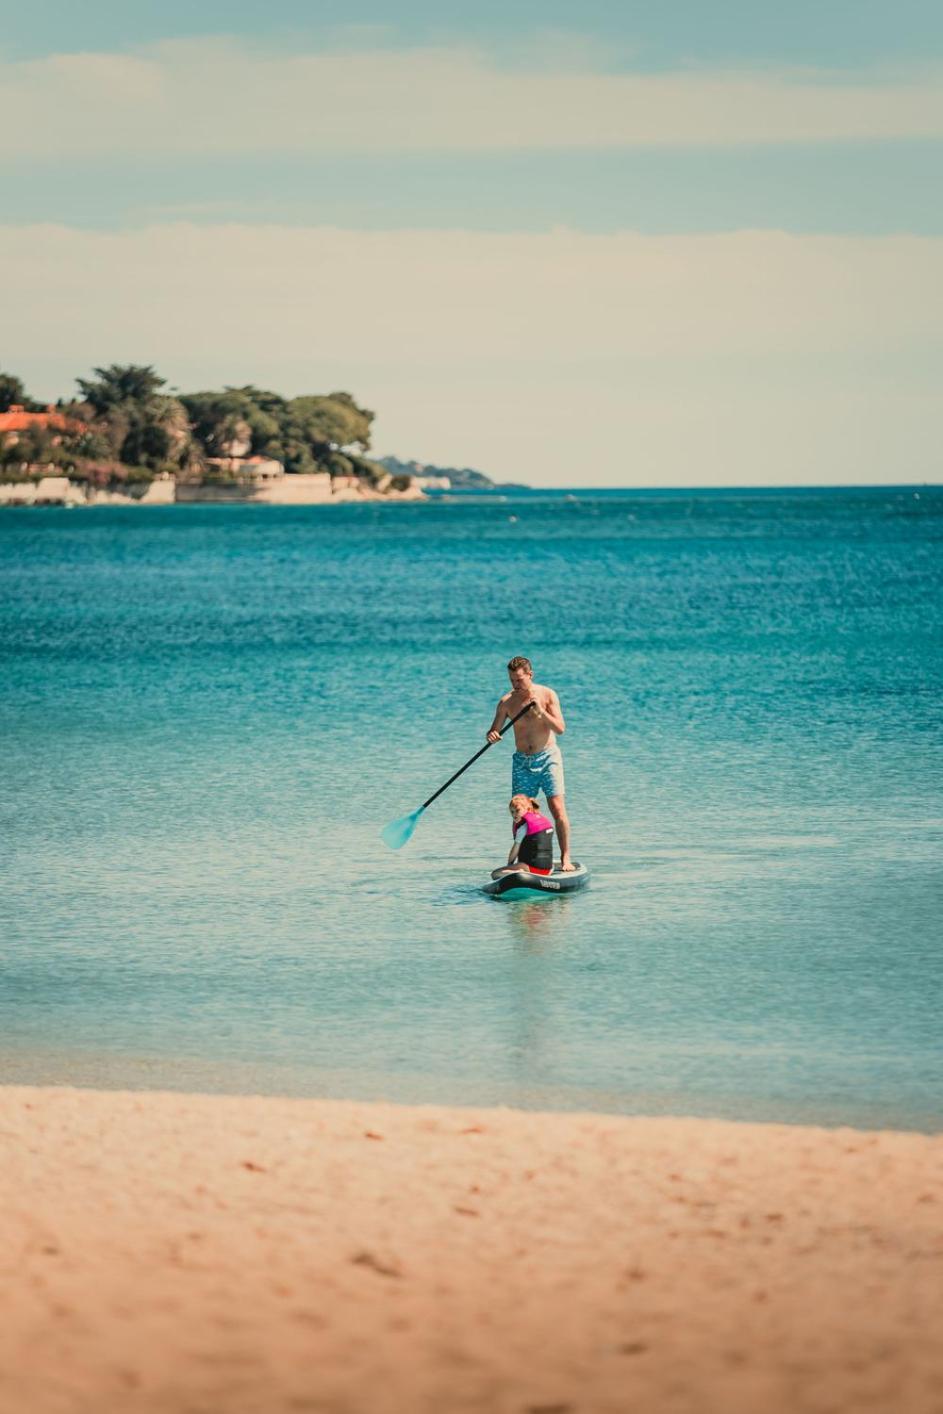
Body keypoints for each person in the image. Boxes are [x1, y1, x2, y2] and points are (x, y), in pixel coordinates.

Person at [486, 655, 574, 870]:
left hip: (548, 757)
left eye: (519, 680)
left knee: (557, 808)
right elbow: (493, 730)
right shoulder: (507, 702)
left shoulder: (547, 695)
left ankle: (565, 858)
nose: (515, 685)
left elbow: (560, 729)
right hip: (522, 762)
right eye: (512, 681)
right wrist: (492, 735)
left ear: (530, 675)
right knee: (521, 812)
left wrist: (541, 712)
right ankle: (524, 861)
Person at [491, 795, 555, 879]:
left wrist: (510, 865)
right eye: (512, 812)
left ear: (528, 809)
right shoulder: (545, 821)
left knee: (495, 874)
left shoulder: (523, 828)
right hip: (547, 869)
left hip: (530, 868)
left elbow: (515, 850)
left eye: (517, 810)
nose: (514, 815)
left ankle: (518, 872)